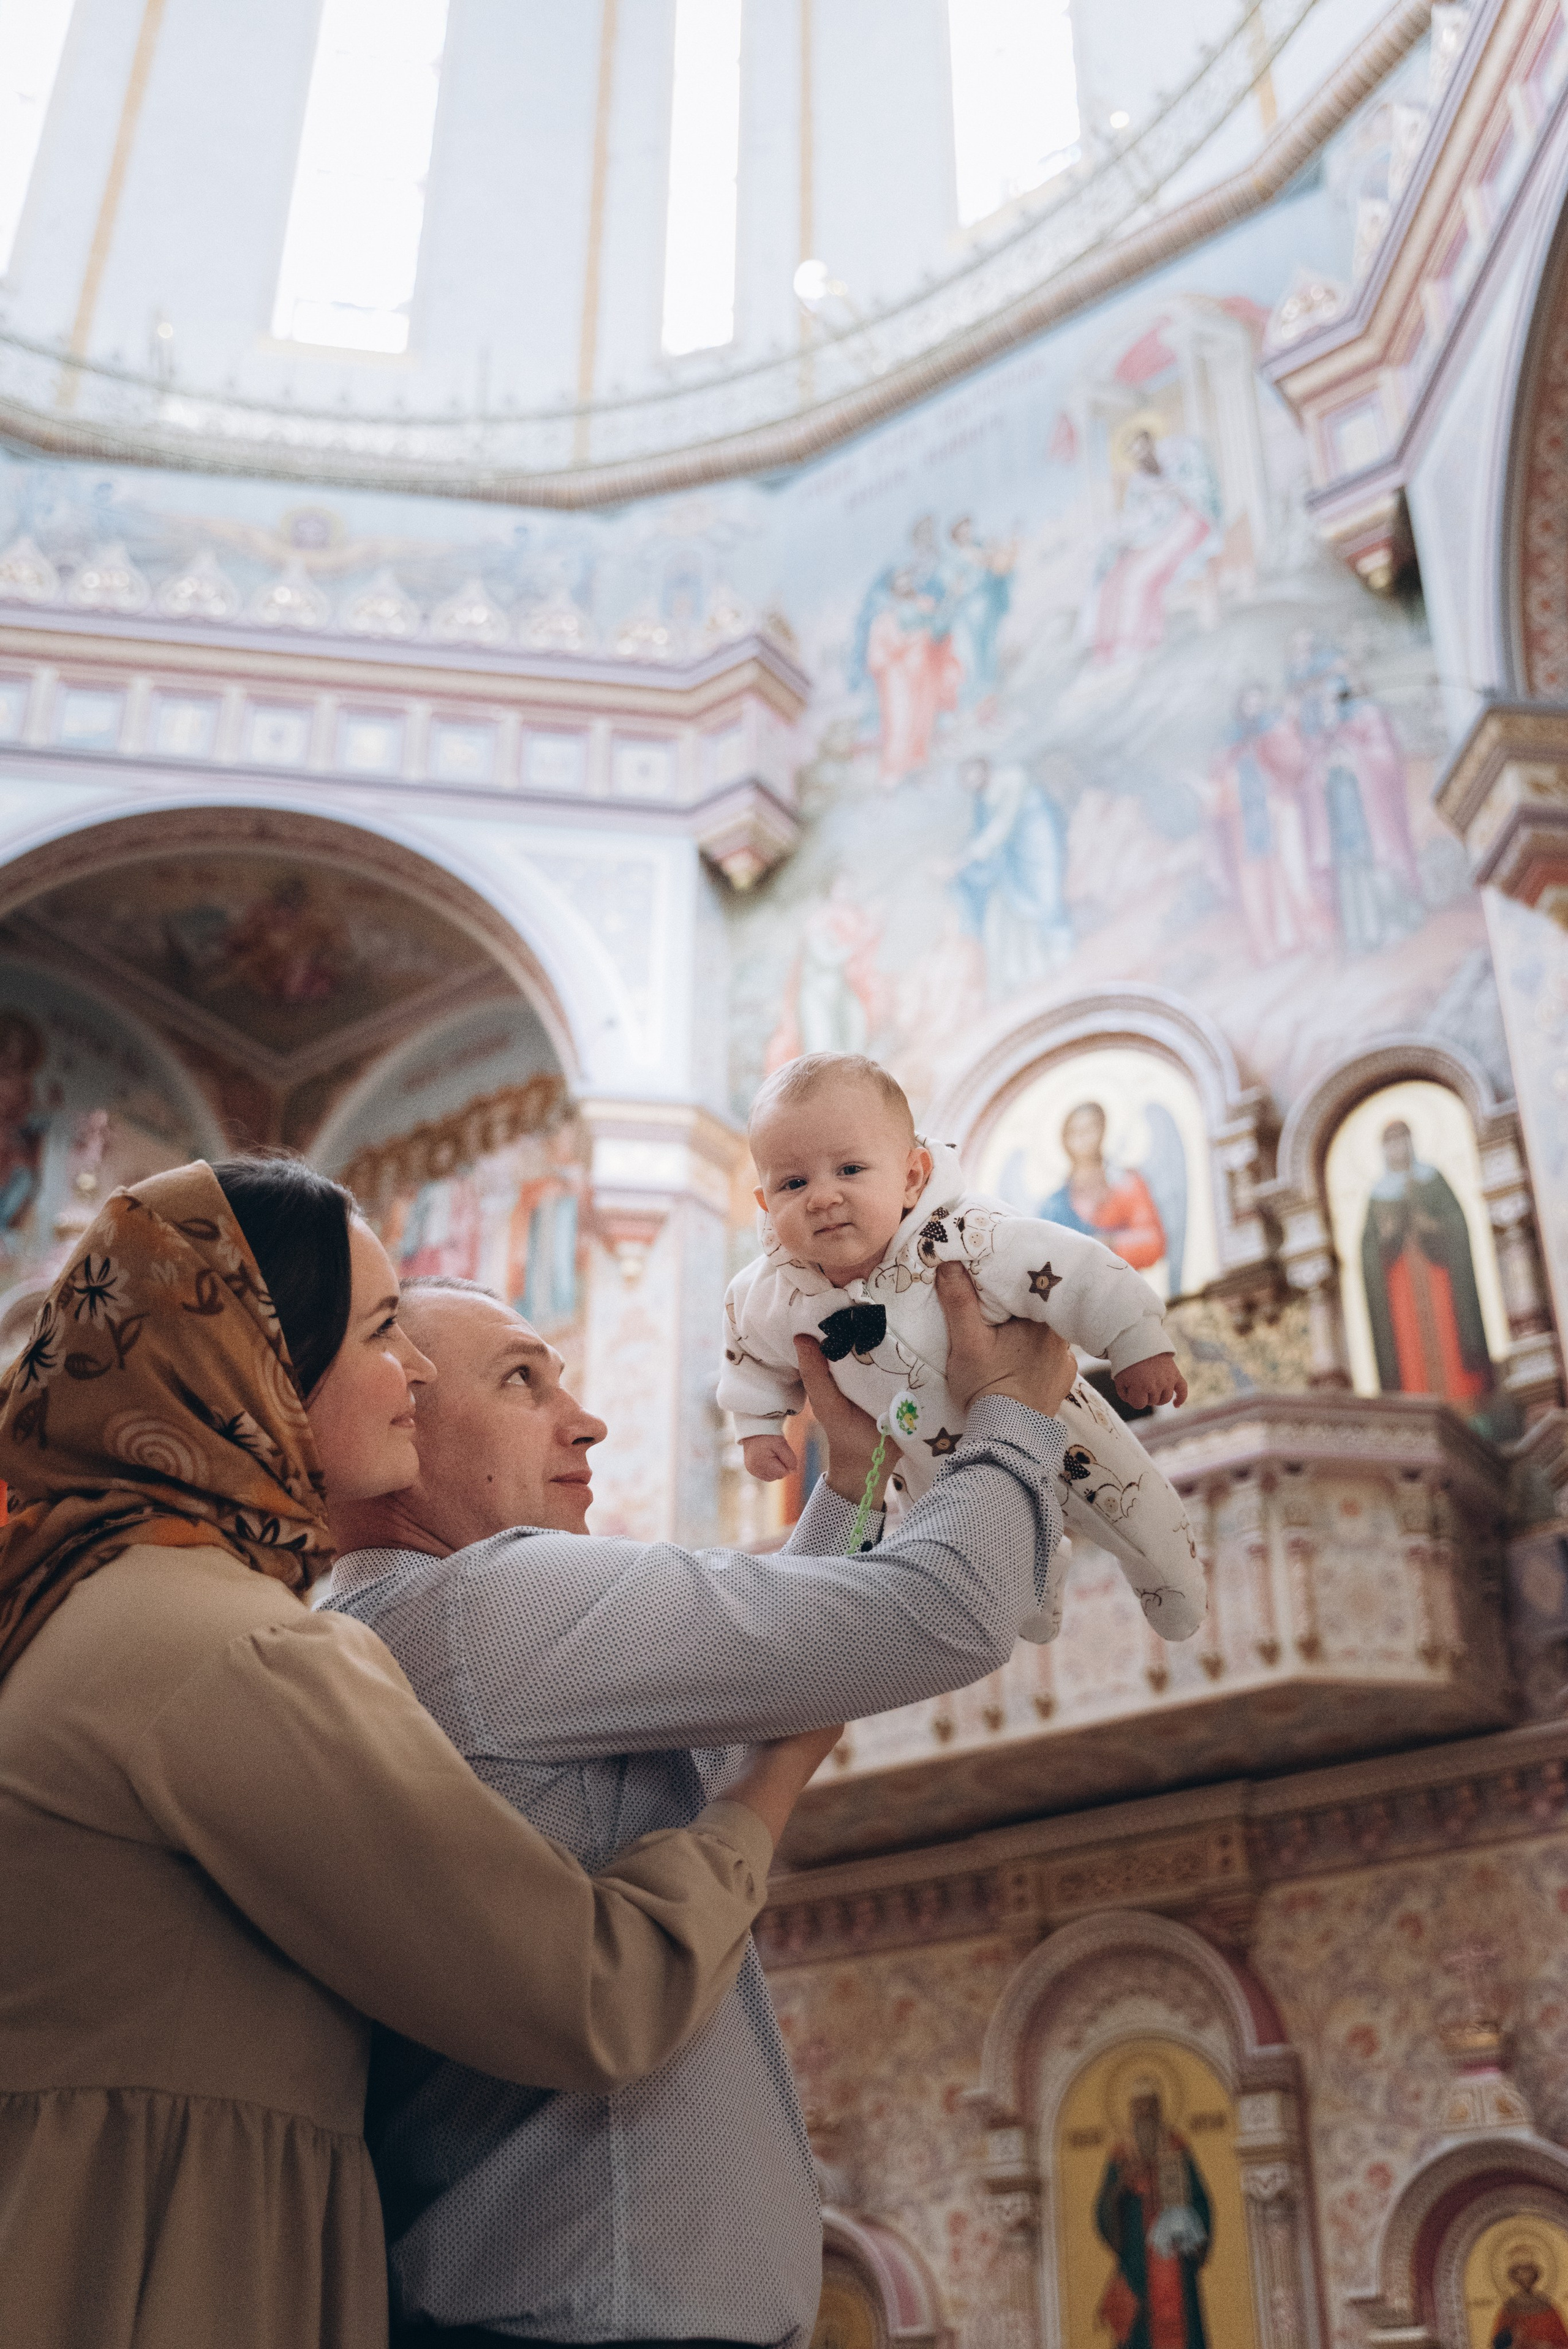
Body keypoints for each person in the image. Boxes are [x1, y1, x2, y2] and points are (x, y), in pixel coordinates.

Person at [0, 1157, 835, 2349]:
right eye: (384, 1334)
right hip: (171, 2261)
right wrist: (767, 1788)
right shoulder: (229, 1649)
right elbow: (584, 1993)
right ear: (261, 1365)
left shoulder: (83, 1604)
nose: (411, 1377)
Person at [319, 1241, 1077, 2349]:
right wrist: (1016, 1413)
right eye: (524, 1380)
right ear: (402, 1421)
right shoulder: (489, 1607)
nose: (586, 1422)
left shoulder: (383, 1633)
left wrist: (854, 1480)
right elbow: (950, 1611)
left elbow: (701, 1776)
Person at [720, 1052, 1205, 1643]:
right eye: (793, 1183)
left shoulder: (968, 1233)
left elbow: (1075, 1268)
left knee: (1137, 1507)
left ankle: (1176, 1586)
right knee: (985, 1559)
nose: (821, 1197)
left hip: (1058, 1416)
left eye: (849, 1169)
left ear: (913, 1176)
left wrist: (1136, 1342)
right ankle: (1034, 1605)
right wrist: (758, 1425)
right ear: (767, 1204)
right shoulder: (767, 1294)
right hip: (926, 1463)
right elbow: (749, 1356)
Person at [1360, 1117, 1496, 1410]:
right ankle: (1417, 1405)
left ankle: (1467, 1401)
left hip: (1441, 1277)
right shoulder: (1378, 1195)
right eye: (1391, 1144)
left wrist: (1434, 1227)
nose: (1398, 1149)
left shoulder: (1432, 1179)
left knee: (1448, 1332)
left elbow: (1457, 1224)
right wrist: (1386, 1239)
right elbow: (1369, 1250)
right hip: (1401, 1285)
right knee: (1411, 1346)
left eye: (1402, 1140)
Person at [1094, 2077, 1213, 2349]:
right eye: (1139, 2108)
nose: (1145, 2114)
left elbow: (1201, 2203)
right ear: (1131, 2112)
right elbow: (1104, 2212)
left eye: (1150, 2107)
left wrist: (1192, 2230)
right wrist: (1120, 2188)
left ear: (1159, 2110)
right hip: (1136, 2270)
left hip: (1176, 2268)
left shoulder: (1177, 2149)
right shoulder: (1120, 2156)